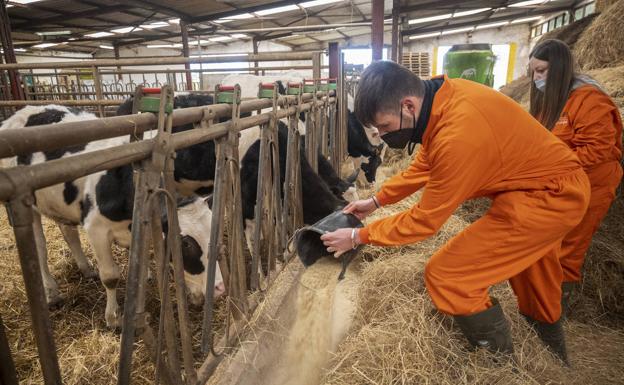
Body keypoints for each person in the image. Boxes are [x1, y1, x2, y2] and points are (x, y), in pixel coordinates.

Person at [320, 60, 591, 364]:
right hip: (535, 186)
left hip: (550, 196)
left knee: (449, 275)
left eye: (384, 126)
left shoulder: (459, 135)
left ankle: (499, 369)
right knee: (534, 278)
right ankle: (554, 359)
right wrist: (377, 201)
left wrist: (358, 236)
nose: (383, 136)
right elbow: (425, 164)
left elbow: (425, 220)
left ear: (408, 105)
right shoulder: (444, 98)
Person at [528, 39, 623, 312]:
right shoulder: (550, 101)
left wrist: (550, 167)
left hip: (593, 184)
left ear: (559, 69)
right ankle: (540, 299)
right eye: (533, 72)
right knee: (548, 242)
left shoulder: (589, 99)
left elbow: (596, 150)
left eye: (542, 71)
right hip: (562, 183)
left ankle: (556, 309)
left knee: (569, 247)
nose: (536, 78)